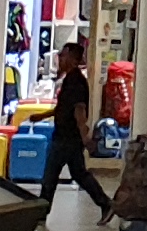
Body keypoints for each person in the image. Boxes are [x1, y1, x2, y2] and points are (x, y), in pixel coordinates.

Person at [39, 41, 105, 220]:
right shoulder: (70, 79)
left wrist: (85, 137)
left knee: (50, 174)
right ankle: (105, 203)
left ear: (72, 58)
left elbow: (79, 110)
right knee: (79, 174)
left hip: (66, 137)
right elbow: (64, 108)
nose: (59, 59)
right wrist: (42, 116)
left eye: (63, 55)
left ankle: (41, 212)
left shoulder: (76, 81)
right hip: (69, 137)